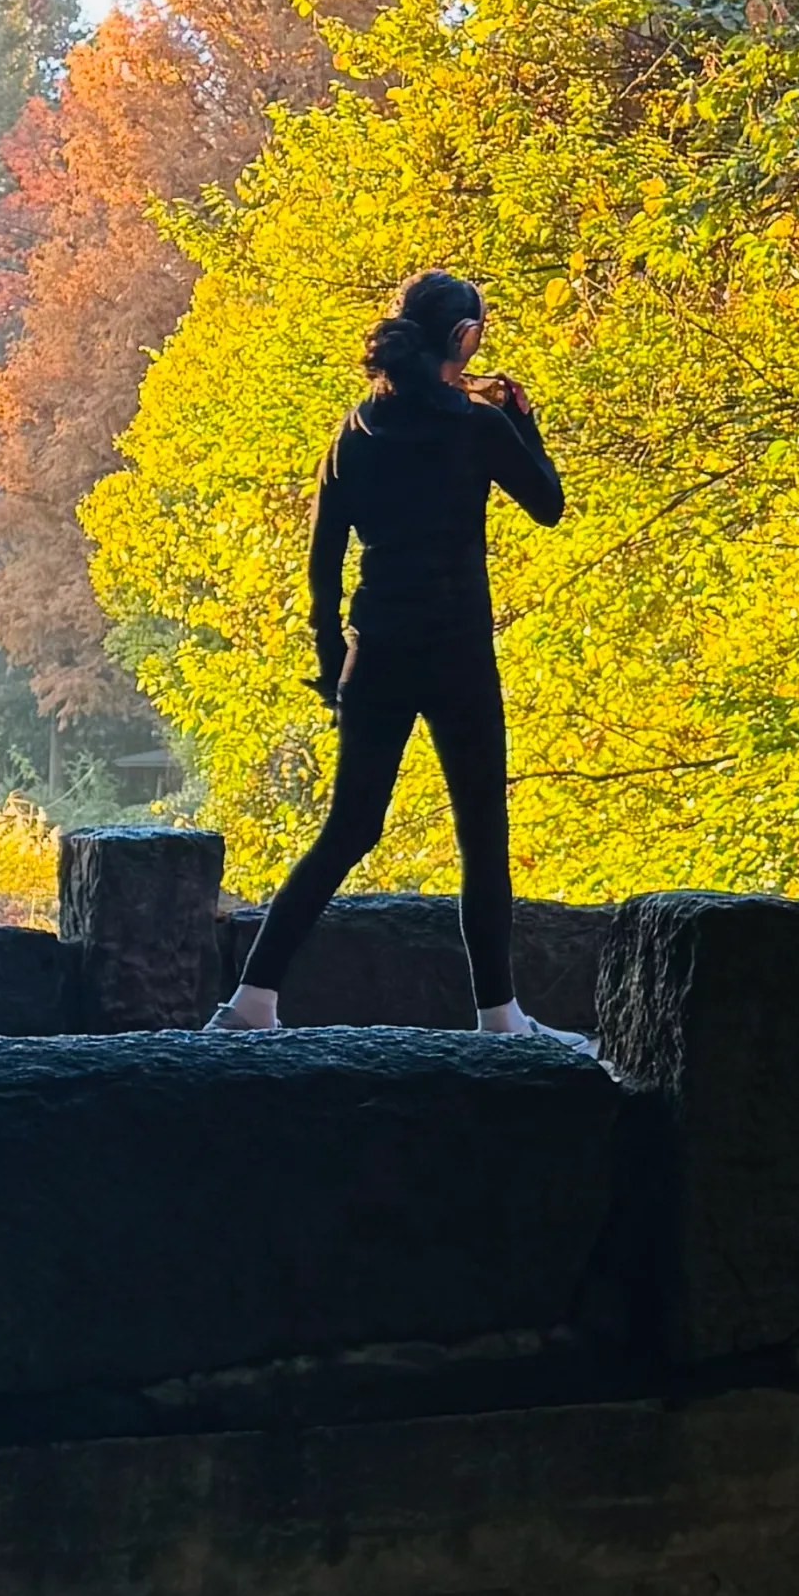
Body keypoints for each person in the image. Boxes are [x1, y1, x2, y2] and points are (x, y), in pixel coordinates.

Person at [211, 267, 577, 1038]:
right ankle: (499, 1017)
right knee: (482, 832)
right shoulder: (478, 427)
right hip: (456, 655)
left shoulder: (354, 430)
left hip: (373, 652)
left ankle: (252, 1001)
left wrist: (326, 656)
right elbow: (548, 503)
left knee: (349, 828)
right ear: (463, 339)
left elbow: (322, 560)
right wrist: (522, 418)